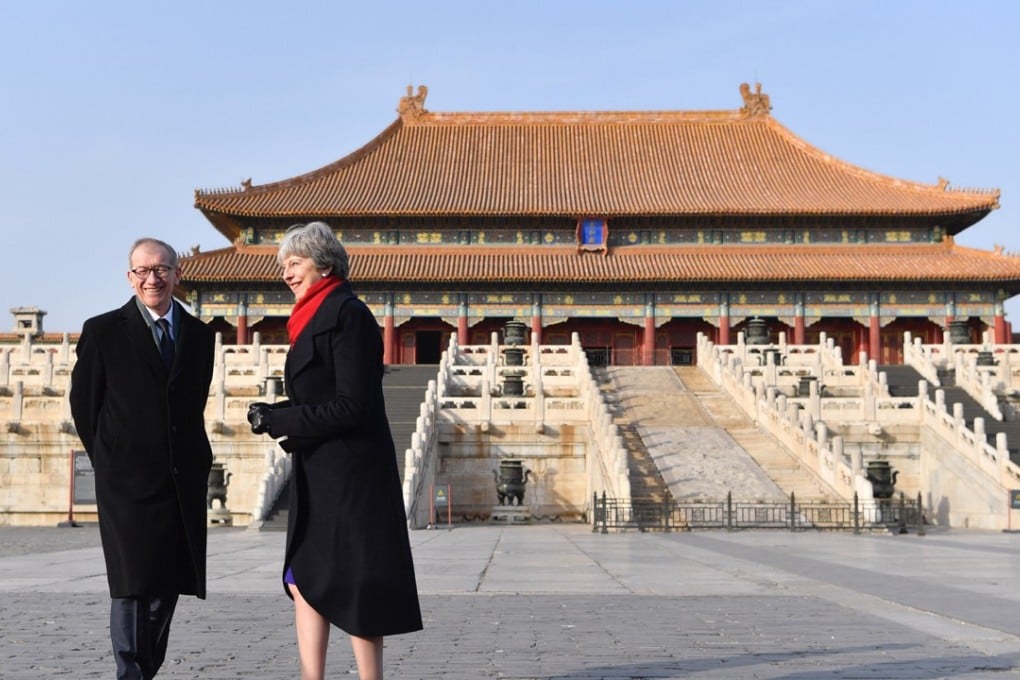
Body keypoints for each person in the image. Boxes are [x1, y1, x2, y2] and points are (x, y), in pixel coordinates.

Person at [247, 221, 422, 680]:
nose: (286, 273)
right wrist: (274, 413)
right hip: (316, 467)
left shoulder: (348, 315)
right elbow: (319, 399)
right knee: (303, 577)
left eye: (295, 263)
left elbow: (353, 406)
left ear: (324, 263)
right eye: (283, 265)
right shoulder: (307, 318)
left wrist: (281, 419)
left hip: (351, 474)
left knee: (356, 582)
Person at [70, 238, 215, 679]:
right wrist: (112, 460)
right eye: (142, 271)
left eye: (161, 269)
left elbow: (190, 404)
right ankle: (131, 673)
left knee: (166, 583)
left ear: (177, 274)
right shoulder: (104, 331)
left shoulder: (199, 336)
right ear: (130, 277)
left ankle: (144, 671)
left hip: (180, 479)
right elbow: (84, 405)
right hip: (127, 482)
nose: (152, 279)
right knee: (132, 584)